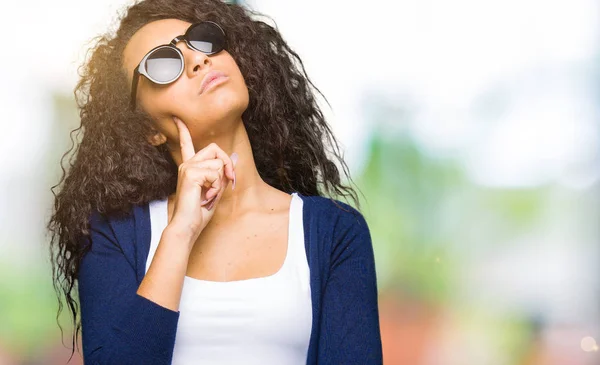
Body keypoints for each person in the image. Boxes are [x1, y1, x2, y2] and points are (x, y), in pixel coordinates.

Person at [47, 0, 382, 364]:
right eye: (163, 63)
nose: (197, 59)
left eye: (202, 39)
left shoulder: (335, 231)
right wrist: (180, 234)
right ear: (147, 129)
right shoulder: (113, 234)